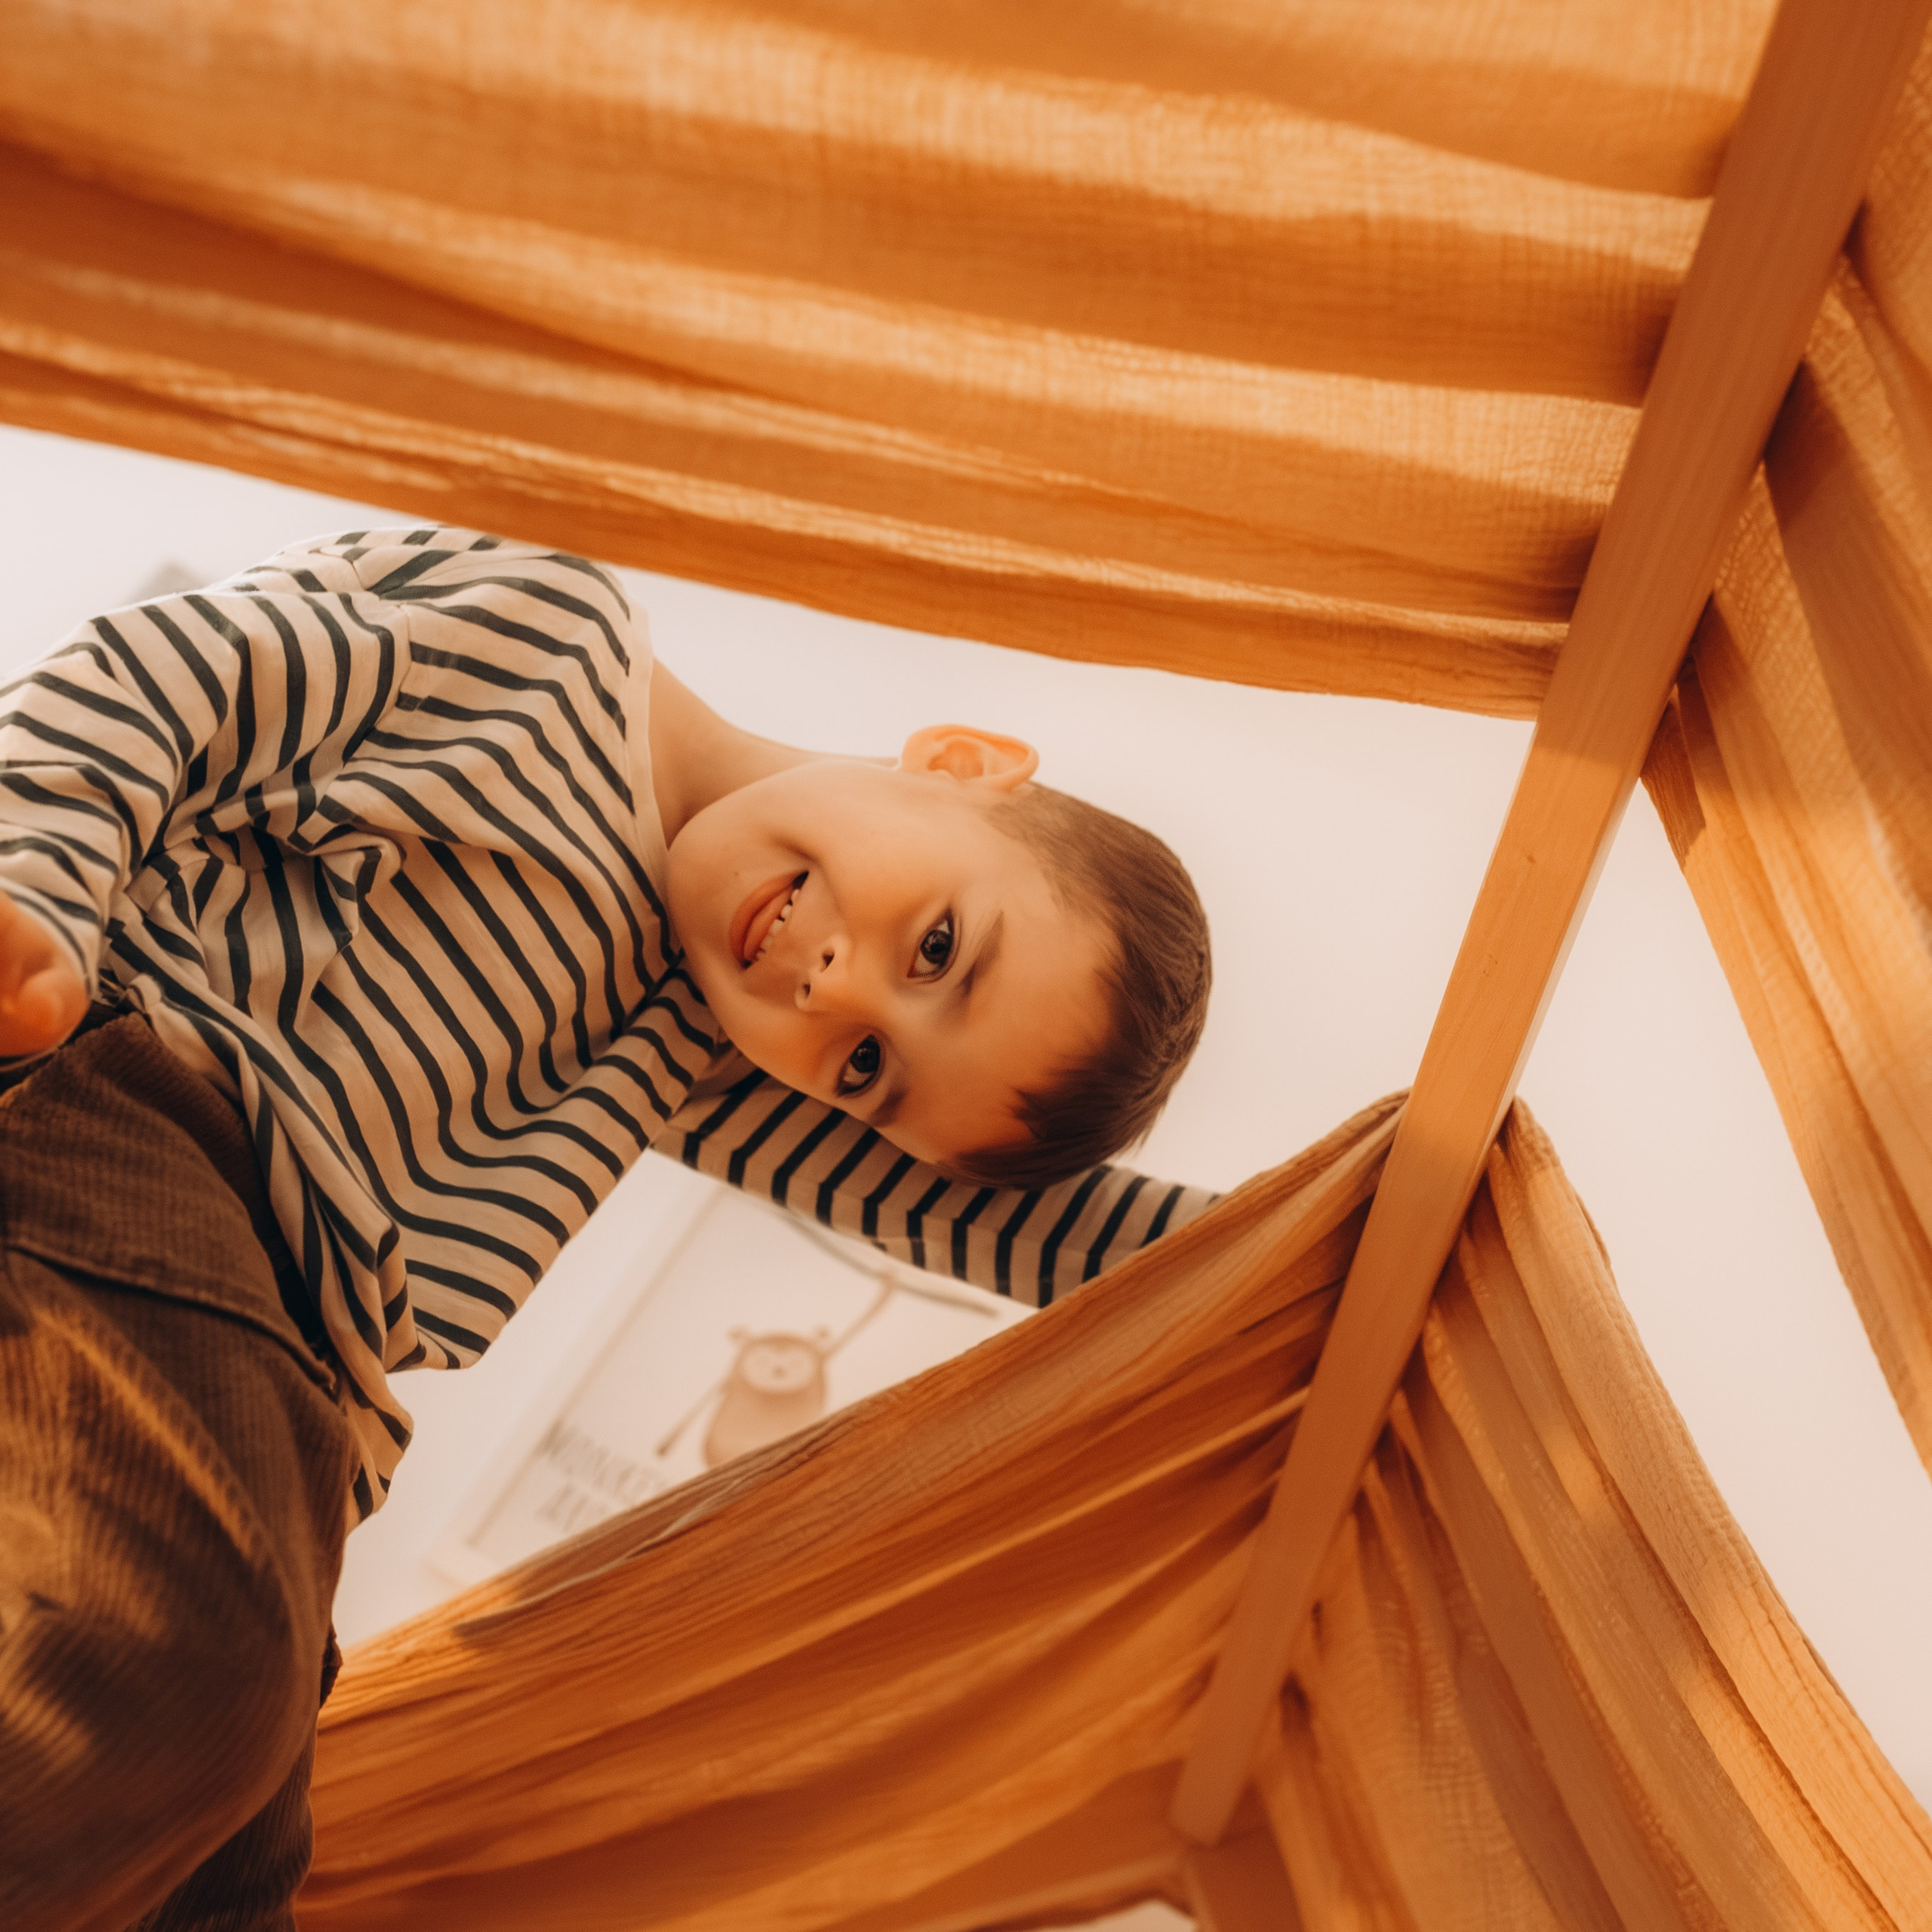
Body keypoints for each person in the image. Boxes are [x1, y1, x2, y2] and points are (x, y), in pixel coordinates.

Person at [0, 527, 1213, 1930]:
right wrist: (32, 884)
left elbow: (1012, 1223)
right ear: (960, 764)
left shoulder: (708, 1037)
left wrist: (1356, 1233)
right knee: (164, 1656)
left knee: (220, 1874)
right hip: (137, 1102)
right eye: (938, 946)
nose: (834, 989)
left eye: (868, 1069)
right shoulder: (548, 642)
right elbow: (170, 682)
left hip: (296, 1377)